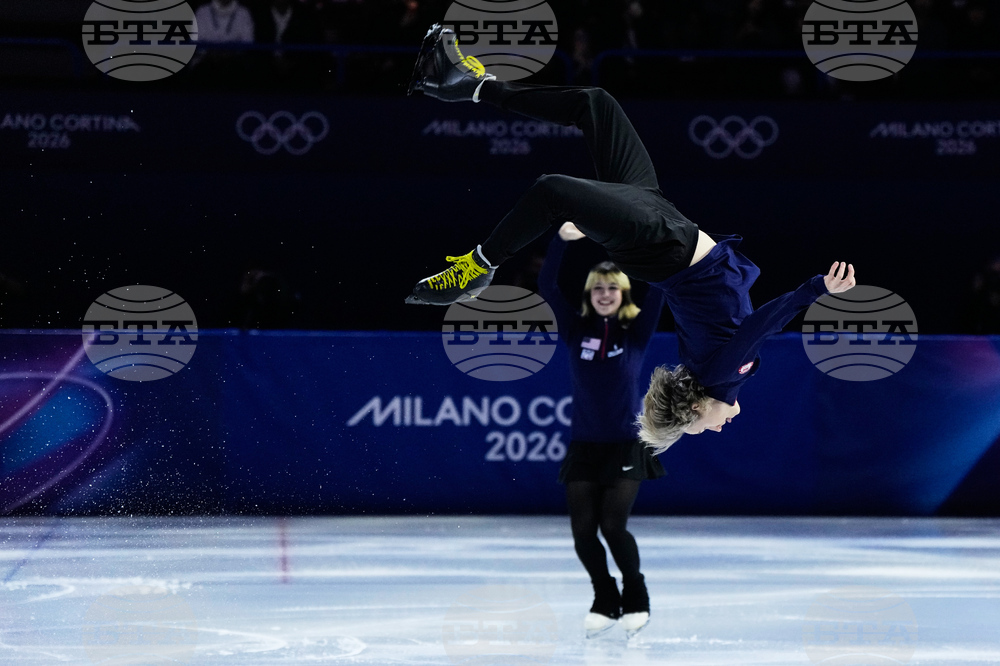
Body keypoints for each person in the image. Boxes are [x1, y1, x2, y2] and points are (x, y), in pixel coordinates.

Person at [403, 24, 857, 457]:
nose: (716, 429)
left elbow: (761, 325)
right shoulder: (720, 379)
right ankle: (470, 86)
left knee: (552, 190)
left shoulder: (719, 378)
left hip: (659, 243)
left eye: (698, 429)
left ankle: (477, 267)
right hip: (661, 225)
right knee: (596, 103)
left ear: (694, 410)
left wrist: (817, 290)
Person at [538, 223, 667, 638]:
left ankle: (637, 595)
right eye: (598, 289)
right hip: (584, 447)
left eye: (613, 288)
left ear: (623, 293)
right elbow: (546, 286)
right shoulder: (576, 331)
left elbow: (662, 286)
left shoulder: (636, 331)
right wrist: (560, 241)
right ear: (590, 294)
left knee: (613, 526)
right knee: (582, 534)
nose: (606, 294)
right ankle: (604, 597)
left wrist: (645, 245)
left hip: (627, 446)